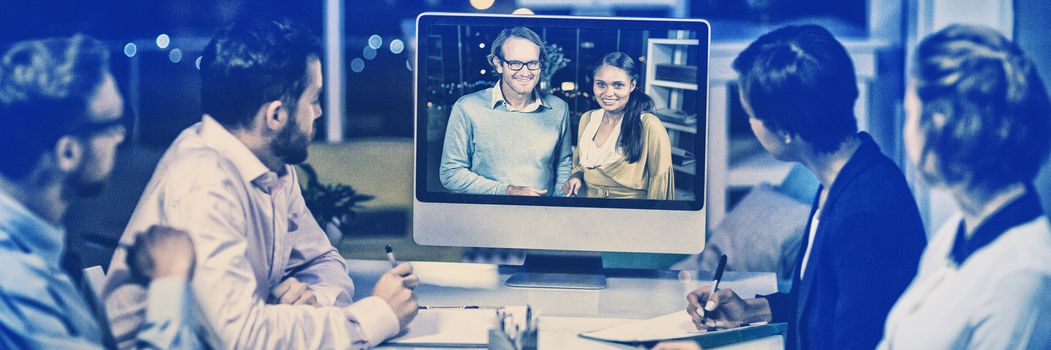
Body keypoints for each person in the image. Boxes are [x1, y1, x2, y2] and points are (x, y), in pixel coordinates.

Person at [101, 19, 420, 348]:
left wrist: (313, 302)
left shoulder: (270, 165)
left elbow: (322, 261)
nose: (319, 111)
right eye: (313, 100)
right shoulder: (203, 182)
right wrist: (376, 315)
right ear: (276, 116)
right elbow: (243, 336)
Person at [684, 25, 926, 350]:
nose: (751, 125)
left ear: (784, 130)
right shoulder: (844, 176)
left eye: (750, 115)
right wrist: (753, 309)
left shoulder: (865, 214)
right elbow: (828, 303)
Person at [0, 35, 199, 349]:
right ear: (67, 152)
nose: (121, 137)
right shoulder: (14, 284)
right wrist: (170, 280)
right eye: (114, 124)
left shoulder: (37, 247)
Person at [878, 24, 1051, 348]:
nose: (907, 131)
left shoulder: (1020, 278)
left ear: (941, 125)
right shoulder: (960, 227)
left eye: (911, 114)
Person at [439, 26, 573, 196]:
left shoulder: (559, 108)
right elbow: (451, 174)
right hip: (487, 215)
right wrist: (507, 191)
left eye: (533, 63)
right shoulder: (467, 107)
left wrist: (558, 207)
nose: (525, 72)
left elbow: (563, 165)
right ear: (498, 64)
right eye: (515, 63)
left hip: (543, 217)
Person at [561, 52, 673, 199]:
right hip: (587, 208)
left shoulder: (649, 125)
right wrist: (576, 176)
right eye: (601, 84)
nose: (608, 93)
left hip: (627, 214)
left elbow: (661, 184)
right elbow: (579, 166)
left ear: (632, 85)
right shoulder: (587, 119)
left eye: (618, 85)